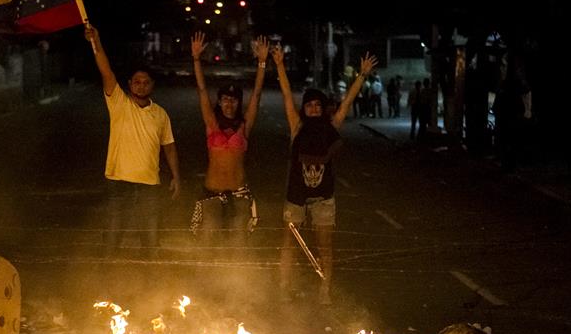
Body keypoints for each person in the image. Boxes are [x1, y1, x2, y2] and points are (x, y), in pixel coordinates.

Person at [271, 44, 377, 305]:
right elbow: (286, 96)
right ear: (305, 108)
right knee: (289, 244)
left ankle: (324, 290)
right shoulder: (297, 128)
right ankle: (284, 288)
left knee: (325, 247)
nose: (315, 109)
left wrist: (361, 76)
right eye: (310, 105)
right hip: (295, 196)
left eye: (318, 105)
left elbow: (347, 102)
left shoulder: (332, 128)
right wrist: (280, 65)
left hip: (323, 198)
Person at [84, 24, 181, 253]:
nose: (141, 85)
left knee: (150, 239)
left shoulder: (160, 113)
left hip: (149, 185)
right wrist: (96, 42)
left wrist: (176, 176)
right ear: (129, 85)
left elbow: (169, 147)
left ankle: (150, 283)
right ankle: (108, 283)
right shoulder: (119, 103)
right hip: (119, 183)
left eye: (146, 82)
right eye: (136, 82)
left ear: (152, 86)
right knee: (113, 238)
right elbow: (106, 72)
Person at [189, 31, 270, 249]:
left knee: (239, 241)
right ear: (220, 102)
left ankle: (237, 281)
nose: (229, 104)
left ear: (238, 103)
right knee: (209, 237)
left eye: (233, 101)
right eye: (225, 100)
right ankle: (206, 280)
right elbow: (202, 90)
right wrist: (196, 59)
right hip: (212, 192)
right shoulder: (212, 124)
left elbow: (257, 95)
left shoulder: (244, 126)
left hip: (239, 192)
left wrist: (262, 62)